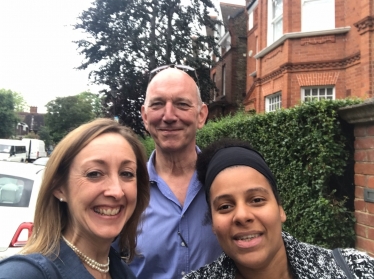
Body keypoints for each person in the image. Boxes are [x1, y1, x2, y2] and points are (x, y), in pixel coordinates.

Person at [184, 138, 374, 279]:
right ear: (213, 223)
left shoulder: (355, 270)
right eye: (225, 206)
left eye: (257, 200)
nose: (242, 215)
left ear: (280, 208)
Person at [0, 118, 150, 279]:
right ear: (59, 187)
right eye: (94, 173)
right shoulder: (24, 274)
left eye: (126, 173)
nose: (116, 191)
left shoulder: (122, 272)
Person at [127, 65, 222, 279]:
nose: (168, 116)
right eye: (158, 104)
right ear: (145, 116)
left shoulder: (224, 183)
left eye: (181, 104)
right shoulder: (126, 191)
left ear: (201, 115)